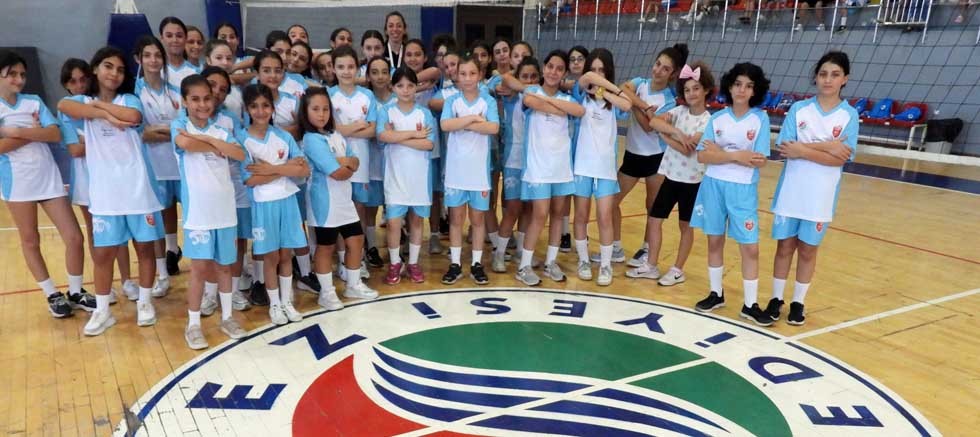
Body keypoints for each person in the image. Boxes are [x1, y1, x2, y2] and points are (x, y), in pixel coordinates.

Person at [59, 46, 164, 335]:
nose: (114, 73)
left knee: (144, 249)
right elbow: (64, 105)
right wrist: (105, 113)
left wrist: (99, 111)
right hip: (105, 194)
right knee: (104, 254)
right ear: (95, 68)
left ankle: (145, 302)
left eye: (119, 69)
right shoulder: (81, 100)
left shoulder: (129, 98)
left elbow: (132, 116)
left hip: (138, 190)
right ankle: (103, 311)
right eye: (108, 66)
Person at [765, 51, 858, 326]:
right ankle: (776, 299)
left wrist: (804, 149)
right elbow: (786, 148)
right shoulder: (799, 109)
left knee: (807, 250)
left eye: (835, 74)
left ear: (845, 79)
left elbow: (841, 158)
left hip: (821, 197)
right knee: (784, 247)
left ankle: (798, 302)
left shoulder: (849, 115)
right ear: (816, 77)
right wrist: (828, 145)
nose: (828, 80)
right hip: (791, 193)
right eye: (823, 74)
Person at [0, 50, 90, 317]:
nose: (19, 79)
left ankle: (76, 291)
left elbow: (54, 134)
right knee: (30, 240)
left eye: (22, 74)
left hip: (48, 177)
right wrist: (35, 132)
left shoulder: (34, 101)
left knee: (74, 237)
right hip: (17, 183)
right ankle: (52, 294)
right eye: (12, 74)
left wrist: (16, 132)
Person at [690, 62, 773, 327]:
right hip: (713, 186)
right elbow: (703, 156)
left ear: (755, 91)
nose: (742, 90)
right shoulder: (717, 119)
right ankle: (716, 294)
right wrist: (737, 155)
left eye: (748, 86)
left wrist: (721, 153)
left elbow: (759, 160)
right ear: (729, 86)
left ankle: (750, 305)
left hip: (742, 190)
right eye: (738, 84)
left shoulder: (760, 119)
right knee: (714, 242)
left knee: (750, 247)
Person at [171, 74, 248, 348]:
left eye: (207, 99)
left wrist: (208, 140)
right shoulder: (179, 126)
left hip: (225, 212)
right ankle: (193, 324)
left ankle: (227, 318)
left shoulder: (221, 130)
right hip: (199, 215)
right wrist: (216, 145)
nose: (202, 104)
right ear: (184, 101)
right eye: (195, 99)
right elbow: (186, 144)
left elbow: (239, 154)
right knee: (200, 270)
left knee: (224, 267)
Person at [501, 50, 585, 286]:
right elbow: (531, 102)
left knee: (558, 214)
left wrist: (550, 102)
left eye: (559, 69)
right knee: (539, 214)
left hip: (561, 167)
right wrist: (560, 107)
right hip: (538, 168)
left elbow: (580, 111)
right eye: (550, 67)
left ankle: (550, 262)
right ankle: (524, 266)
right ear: (543, 69)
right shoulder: (530, 93)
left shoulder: (568, 99)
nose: (553, 72)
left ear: (564, 73)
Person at [627, 62, 714, 288]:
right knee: (655, 220)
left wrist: (665, 137)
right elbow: (655, 121)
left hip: (692, 181)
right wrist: (674, 131)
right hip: (671, 177)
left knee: (685, 227)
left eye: (696, 88)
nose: (691, 93)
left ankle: (677, 270)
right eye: (687, 89)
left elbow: (688, 149)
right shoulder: (678, 112)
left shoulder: (708, 120)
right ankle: (651, 265)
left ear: (706, 90)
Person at [58, 58, 135, 303]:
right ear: (66, 84)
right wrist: (102, 143)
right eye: (73, 81)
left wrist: (92, 142)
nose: (79, 85)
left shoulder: (99, 103)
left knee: (120, 229)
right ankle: (106, 285)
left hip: (113, 176)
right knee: (97, 233)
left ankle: (127, 280)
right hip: (85, 180)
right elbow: (74, 150)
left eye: (83, 79)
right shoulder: (68, 110)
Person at [299, 87, 378, 310]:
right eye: (315, 109)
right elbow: (336, 172)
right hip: (324, 202)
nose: (321, 114)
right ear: (306, 111)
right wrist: (345, 163)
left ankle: (353, 285)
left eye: (325, 109)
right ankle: (326, 293)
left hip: (344, 199)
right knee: (326, 247)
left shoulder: (336, 134)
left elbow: (355, 161)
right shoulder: (311, 139)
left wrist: (343, 162)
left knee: (356, 240)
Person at [238, 84, 311, 325]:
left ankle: (287, 301)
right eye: (254, 106)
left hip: (287, 200)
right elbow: (250, 179)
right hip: (263, 204)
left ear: (273, 108)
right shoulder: (242, 139)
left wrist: (270, 169)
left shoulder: (283, 136)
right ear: (247, 109)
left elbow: (303, 169)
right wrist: (285, 169)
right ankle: (275, 304)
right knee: (271, 256)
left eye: (265, 105)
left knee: (286, 254)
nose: (260, 111)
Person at [611, 44, 686, 268]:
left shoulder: (669, 100)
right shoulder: (640, 83)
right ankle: (616, 247)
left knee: (652, 207)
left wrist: (633, 104)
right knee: (612, 200)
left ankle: (645, 249)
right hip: (632, 156)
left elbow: (648, 126)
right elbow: (621, 88)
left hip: (655, 158)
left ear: (672, 74)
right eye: (657, 64)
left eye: (665, 69)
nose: (658, 70)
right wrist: (643, 105)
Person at [570, 49, 631, 286]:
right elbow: (585, 79)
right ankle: (583, 260)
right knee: (581, 216)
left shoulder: (611, 100)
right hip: (581, 167)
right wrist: (595, 85)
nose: (596, 75)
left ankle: (606, 265)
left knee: (605, 216)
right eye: (593, 69)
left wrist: (604, 91)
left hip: (605, 169)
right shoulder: (580, 94)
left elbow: (626, 105)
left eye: (601, 70)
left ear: (608, 72)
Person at [439, 55, 500, 285]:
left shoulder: (488, 101)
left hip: (478, 173)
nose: (467, 78)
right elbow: (445, 125)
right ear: (456, 76)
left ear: (480, 75)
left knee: (477, 220)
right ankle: (455, 264)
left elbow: (493, 128)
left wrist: (461, 122)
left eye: (472, 73)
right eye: (462, 73)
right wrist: (474, 119)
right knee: (456, 219)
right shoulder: (452, 101)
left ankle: (476, 264)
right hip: (456, 172)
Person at [376, 66, 437, 284]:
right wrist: (414, 134)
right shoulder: (386, 111)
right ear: (393, 87)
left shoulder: (424, 113)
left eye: (410, 85)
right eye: (400, 85)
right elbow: (383, 136)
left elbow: (429, 144)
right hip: (394, 177)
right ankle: (395, 263)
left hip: (419, 177)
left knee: (416, 221)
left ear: (416, 87)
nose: (405, 90)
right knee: (393, 223)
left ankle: (413, 263)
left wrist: (397, 136)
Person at [200, 66, 253, 312]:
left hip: (235, 188)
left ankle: (232, 290)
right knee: (210, 243)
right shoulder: (189, 119)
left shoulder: (231, 119)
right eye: (212, 85)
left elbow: (239, 152)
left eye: (223, 89)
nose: (217, 92)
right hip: (206, 191)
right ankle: (210, 293)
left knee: (238, 240)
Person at [133, 36, 182, 295]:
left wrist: (159, 130)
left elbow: (184, 129)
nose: (153, 60)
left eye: (157, 55)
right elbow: (139, 132)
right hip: (153, 167)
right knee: (158, 222)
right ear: (138, 59)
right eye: (147, 55)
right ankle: (162, 275)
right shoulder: (134, 92)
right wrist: (169, 131)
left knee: (191, 217)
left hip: (182, 165)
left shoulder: (176, 91)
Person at [329, 46, 378, 280]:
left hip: (361, 162)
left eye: (350, 66)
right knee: (341, 211)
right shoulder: (329, 95)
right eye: (341, 67)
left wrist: (344, 129)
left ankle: (357, 260)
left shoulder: (367, 96)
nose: (346, 71)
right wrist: (357, 125)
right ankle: (342, 260)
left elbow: (372, 131)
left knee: (358, 211)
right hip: (337, 161)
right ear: (333, 68)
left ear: (358, 68)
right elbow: (328, 129)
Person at [490, 55, 539, 274]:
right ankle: (499, 253)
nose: (529, 80)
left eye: (533, 76)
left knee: (529, 208)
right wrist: (524, 87)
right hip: (514, 159)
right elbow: (503, 78)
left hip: (535, 161)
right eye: (524, 76)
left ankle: (521, 249)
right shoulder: (511, 95)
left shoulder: (541, 98)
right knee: (513, 208)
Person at [364, 56, 396, 269]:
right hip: (372, 163)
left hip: (396, 164)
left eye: (384, 72)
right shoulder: (365, 100)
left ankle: (398, 247)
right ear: (368, 76)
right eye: (374, 72)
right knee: (371, 208)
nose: (380, 77)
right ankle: (371, 246)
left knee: (395, 208)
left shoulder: (398, 99)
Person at [159, 17, 200, 90]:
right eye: (169, 36)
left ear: (185, 38)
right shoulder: (154, 70)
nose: (175, 40)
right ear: (162, 39)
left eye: (179, 36)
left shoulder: (197, 72)